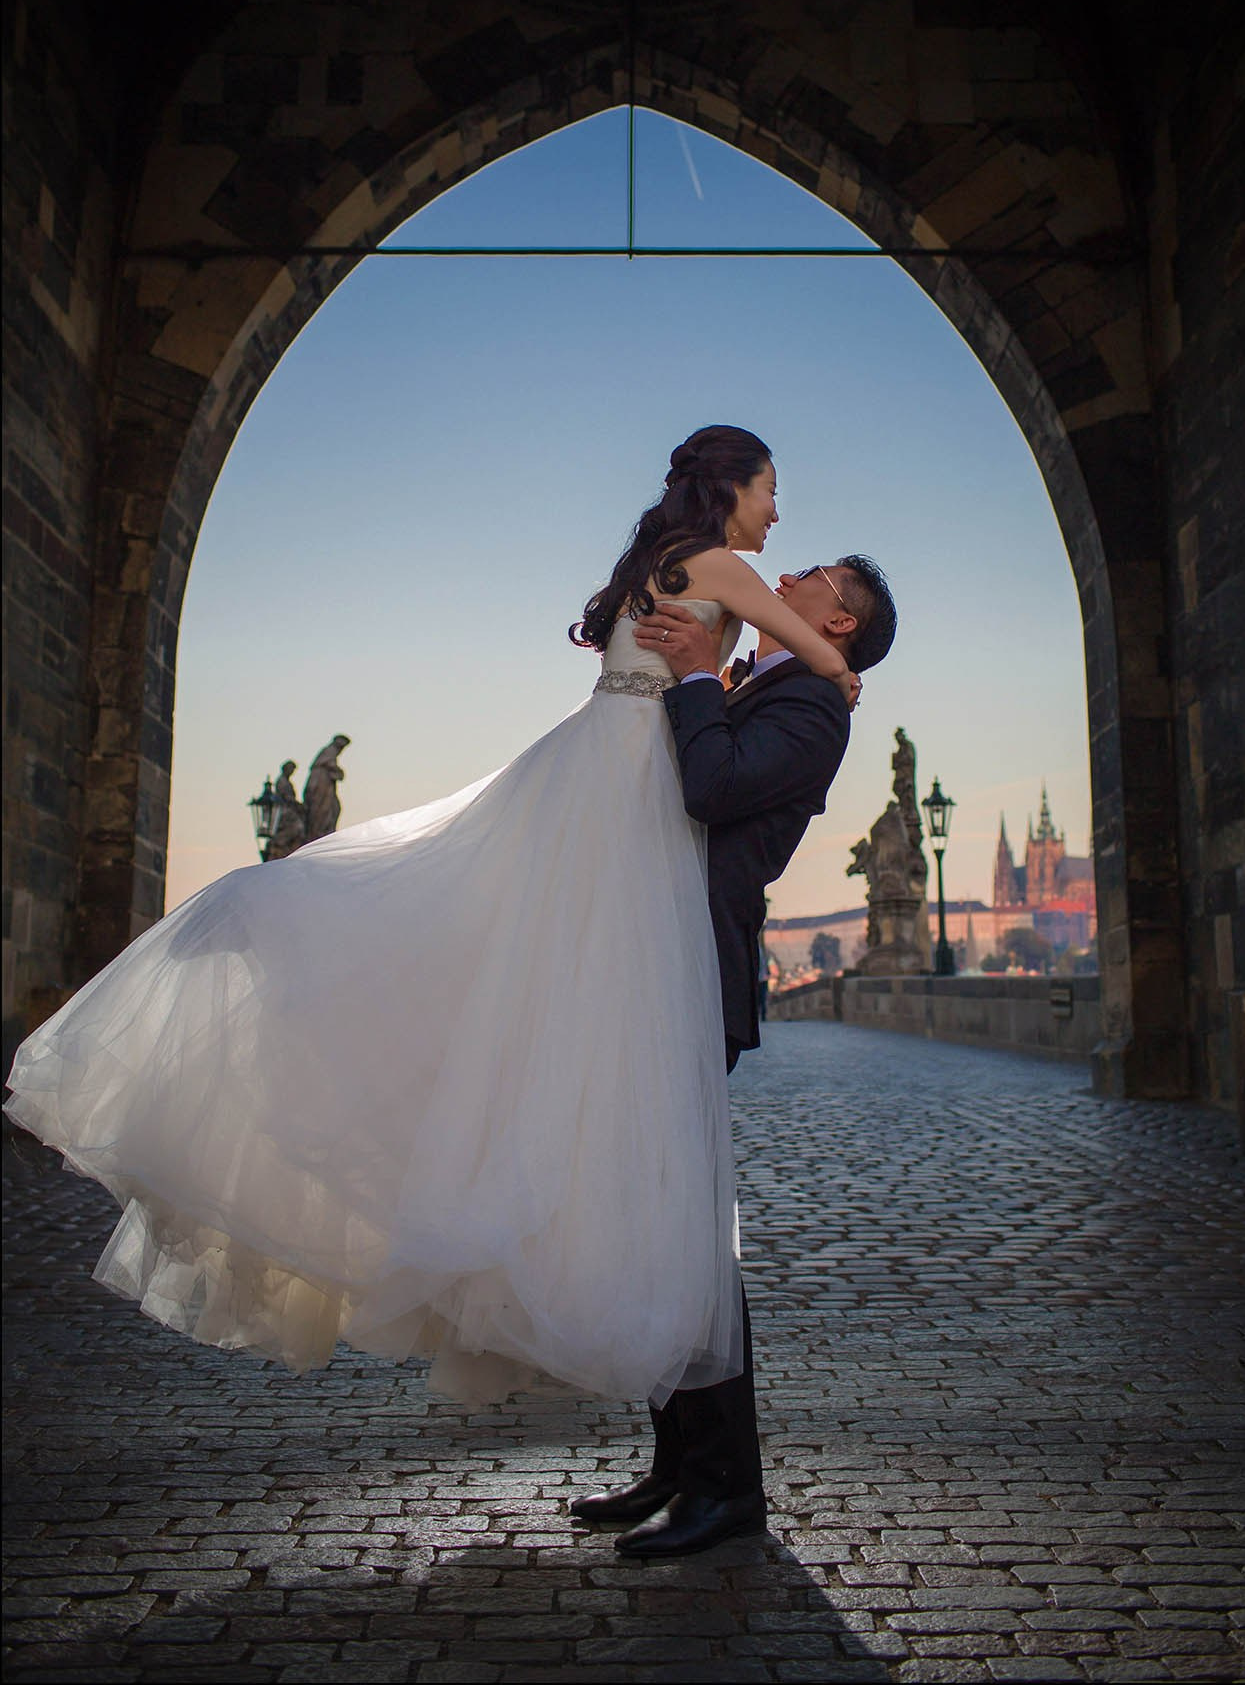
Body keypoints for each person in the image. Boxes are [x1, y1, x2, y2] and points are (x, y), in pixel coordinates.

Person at [1, 426, 859, 1436]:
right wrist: (839, 674)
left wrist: (735, 672)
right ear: (731, 485)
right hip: (627, 784)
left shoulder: (660, 563)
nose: (777, 517)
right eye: (770, 490)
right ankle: (688, 1449)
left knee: (494, 945)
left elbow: (751, 689)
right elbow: (814, 652)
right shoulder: (722, 570)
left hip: (588, 767)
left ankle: (689, 1448)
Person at [569, 555, 897, 1558]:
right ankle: (679, 1464)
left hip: (692, 974)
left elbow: (712, 791)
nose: (784, 572)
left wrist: (698, 676)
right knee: (654, 1223)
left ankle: (727, 1489)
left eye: (817, 579)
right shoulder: (775, 682)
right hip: (652, 960)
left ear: (839, 625)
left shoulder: (814, 708)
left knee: (689, 1231)